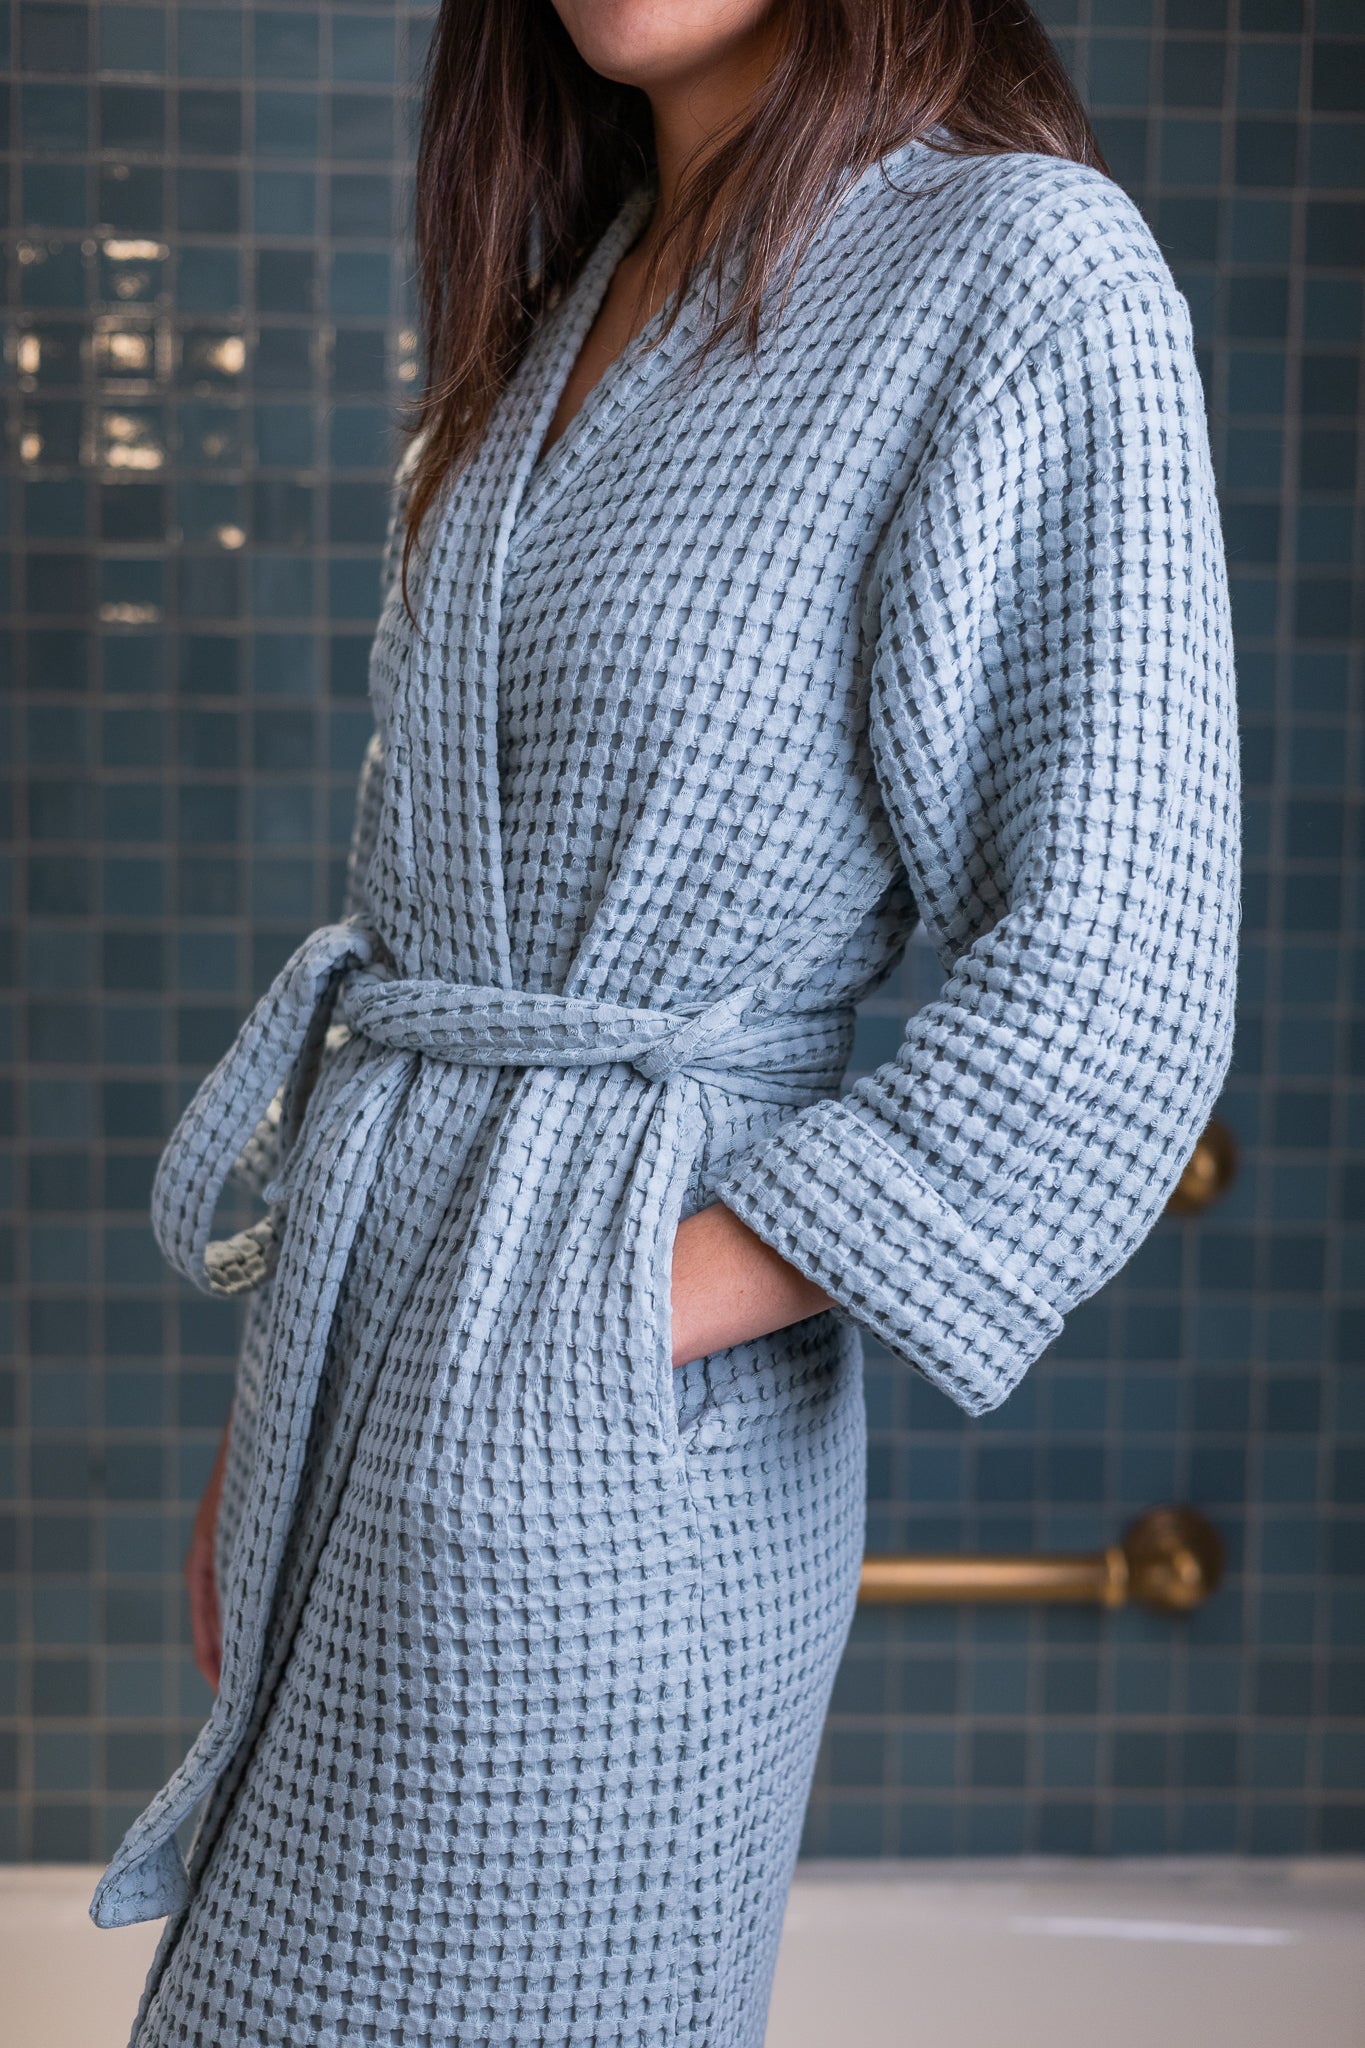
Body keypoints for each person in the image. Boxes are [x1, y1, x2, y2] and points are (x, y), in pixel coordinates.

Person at [91, 1, 1241, 2042]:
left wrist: (608, 1315)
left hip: (609, 1438)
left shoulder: (1017, 271)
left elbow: (1114, 978)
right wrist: (311, 1395)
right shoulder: (582, 276)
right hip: (391, 1349)